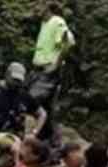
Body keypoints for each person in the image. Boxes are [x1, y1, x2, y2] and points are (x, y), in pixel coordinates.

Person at [29, 1, 75, 149]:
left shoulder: (57, 21)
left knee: (32, 100)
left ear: (45, 6)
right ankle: (52, 144)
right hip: (39, 71)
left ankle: (51, 141)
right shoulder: (44, 23)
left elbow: (69, 42)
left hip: (49, 71)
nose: (34, 9)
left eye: (36, 5)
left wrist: (56, 64)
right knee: (47, 108)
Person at [0, 62, 48, 137]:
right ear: (7, 75)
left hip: (17, 139)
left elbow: (42, 114)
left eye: (19, 80)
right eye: (14, 79)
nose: (16, 83)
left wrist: (34, 133)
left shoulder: (25, 96)